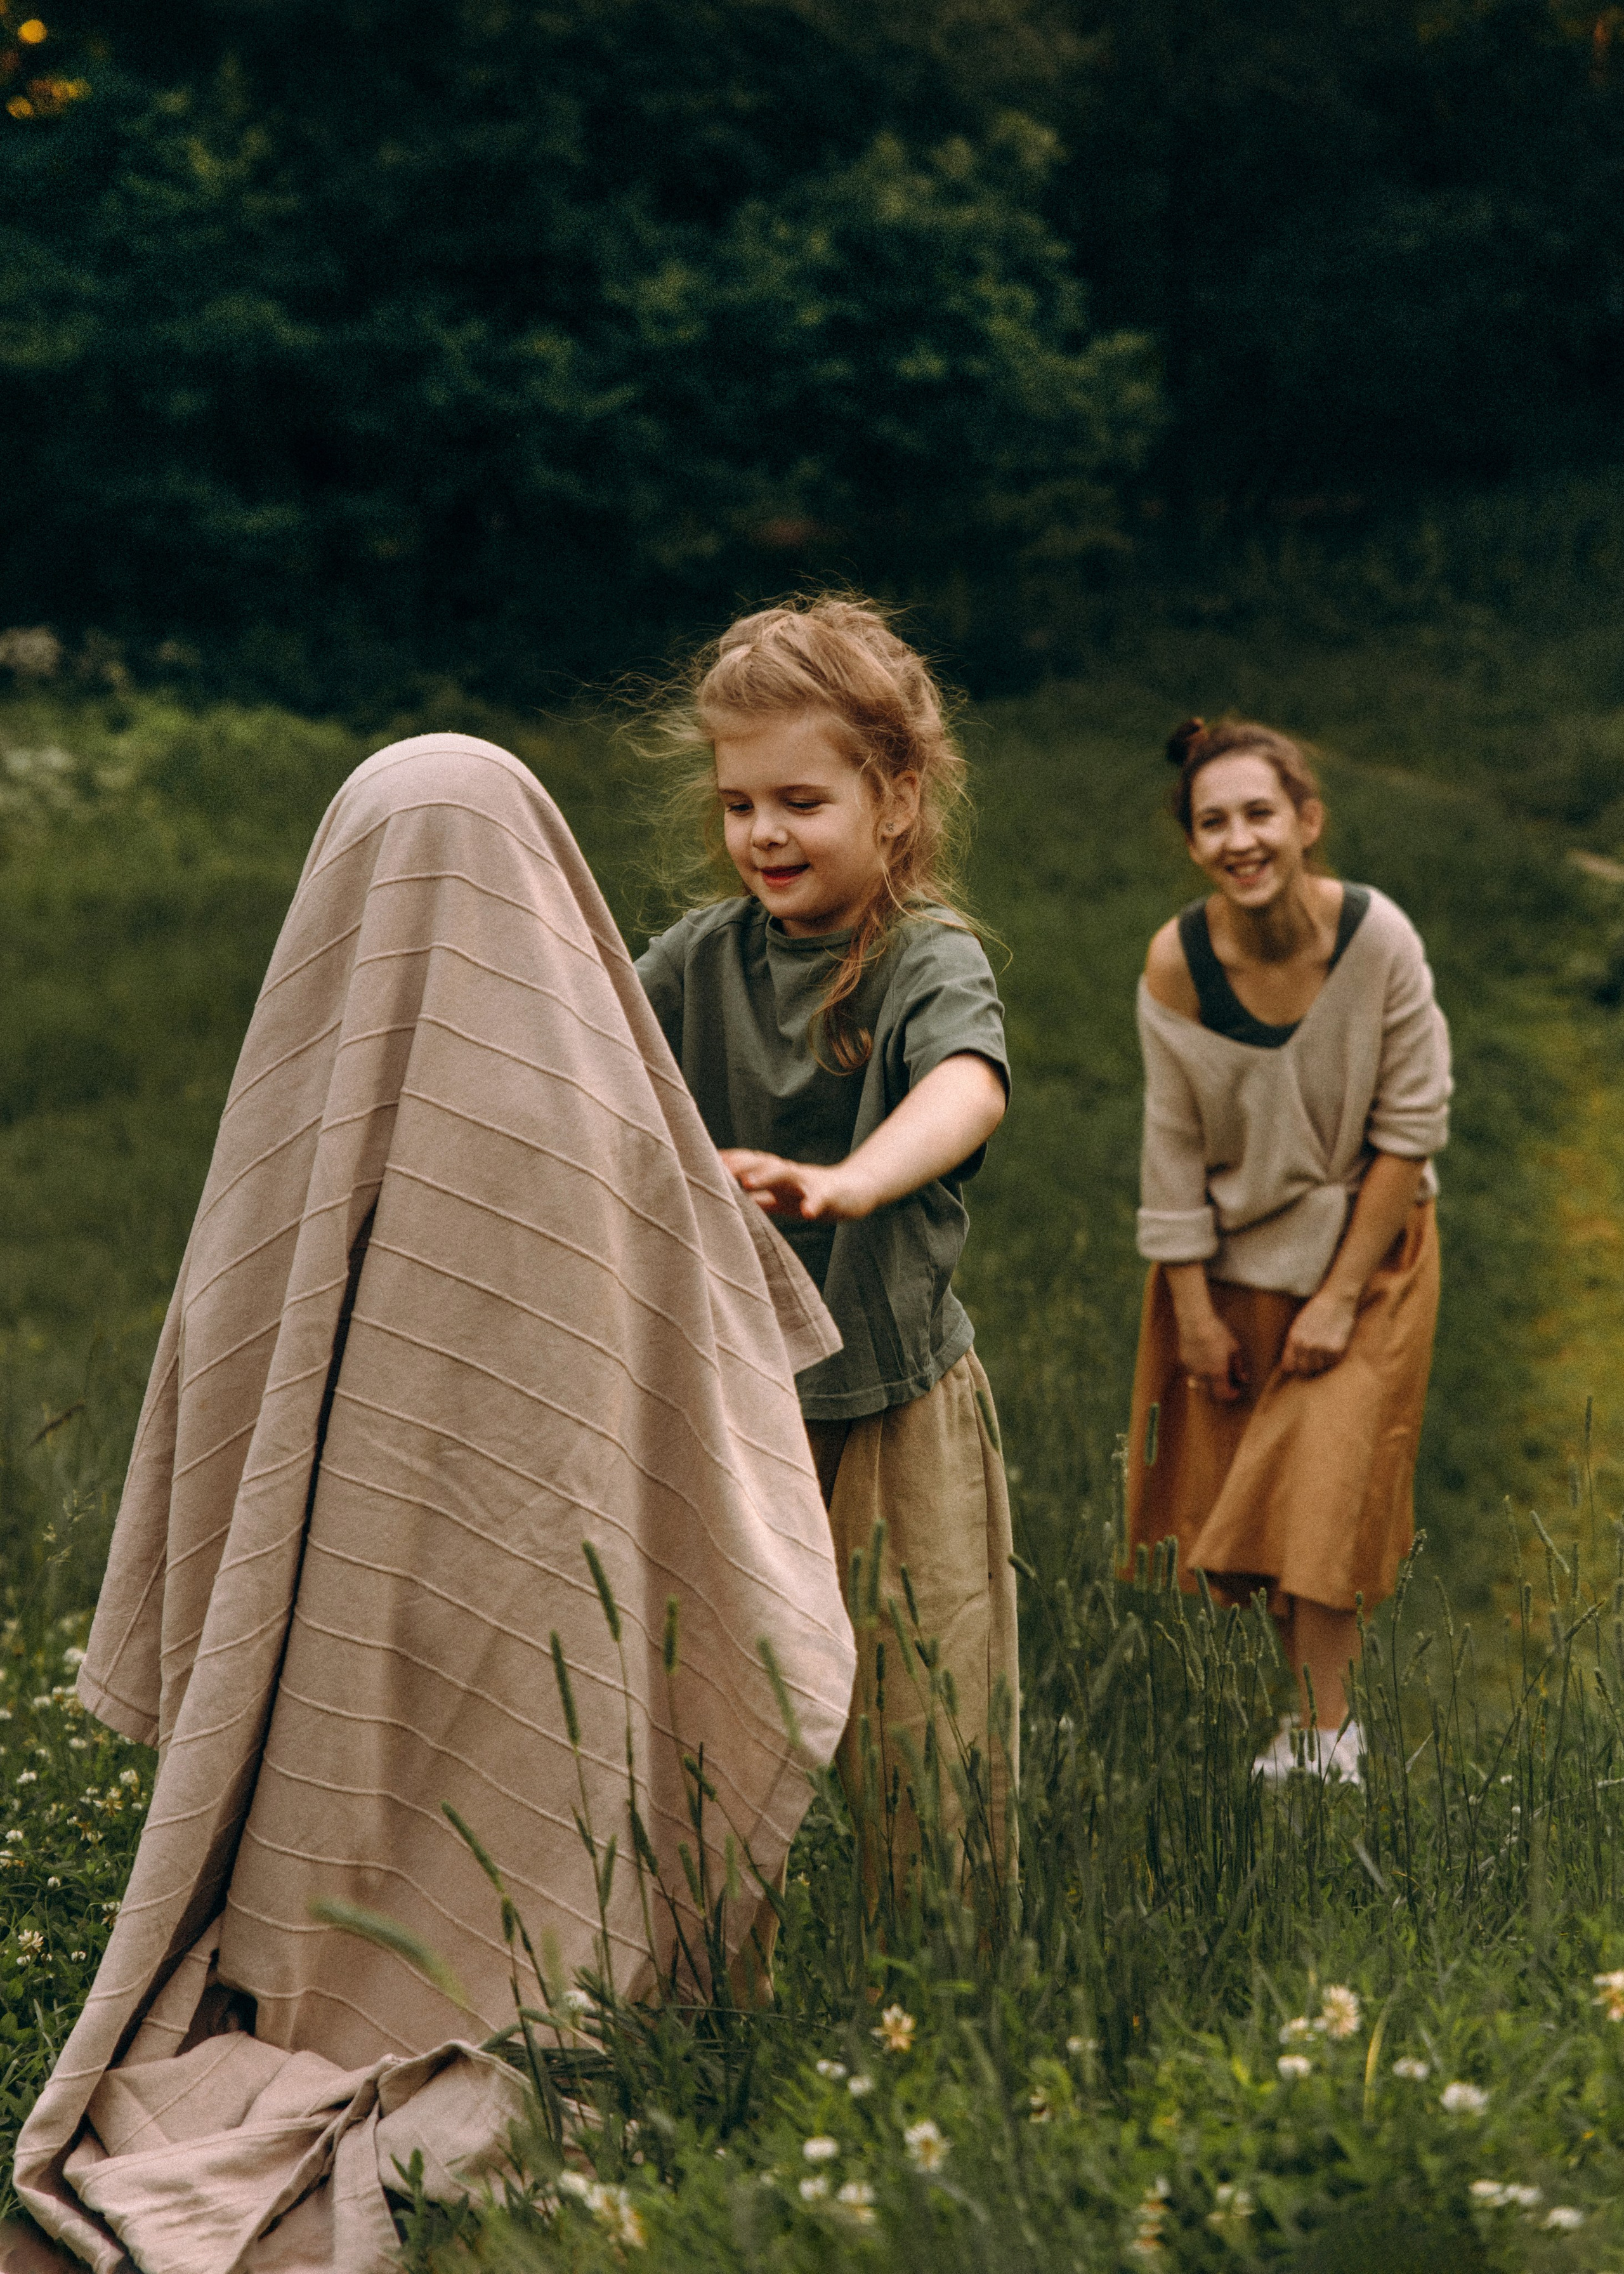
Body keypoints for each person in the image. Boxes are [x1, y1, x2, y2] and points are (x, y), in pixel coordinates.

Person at [15, 732, 856, 2274]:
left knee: (336, 1776)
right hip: (558, 1620)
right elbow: (705, 1347)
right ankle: (524, 1994)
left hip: (338, 1613)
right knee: (535, 1798)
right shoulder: (608, 1111)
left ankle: (320, 1983)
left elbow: (221, 1337)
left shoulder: (312, 1094)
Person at [635, 598, 1018, 1874]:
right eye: (739, 802)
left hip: (893, 1405)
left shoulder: (923, 954)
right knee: (704, 1725)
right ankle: (702, 2026)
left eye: (800, 800)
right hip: (728, 1414)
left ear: (895, 796)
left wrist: (849, 1180)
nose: (762, 833)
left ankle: (933, 2021)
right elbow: (582, 1065)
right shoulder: (695, 961)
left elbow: (965, 1085)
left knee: (926, 1734)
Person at [1125, 717, 1451, 1781]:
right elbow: (1171, 1146)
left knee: (1325, 1475)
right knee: (1263, 1508)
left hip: (1375, 1256)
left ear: (1307, 822)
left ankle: (1328, 1739)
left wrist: (1339, 1297)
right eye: (1213, 822)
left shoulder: (1379, 939)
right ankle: (1308, 1727)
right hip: (1233, 1262)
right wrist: (1193, 1310)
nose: (1240, 839)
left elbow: (1411, 1128)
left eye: (1260, 813)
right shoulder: (1177, 965)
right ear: (1193, 846)